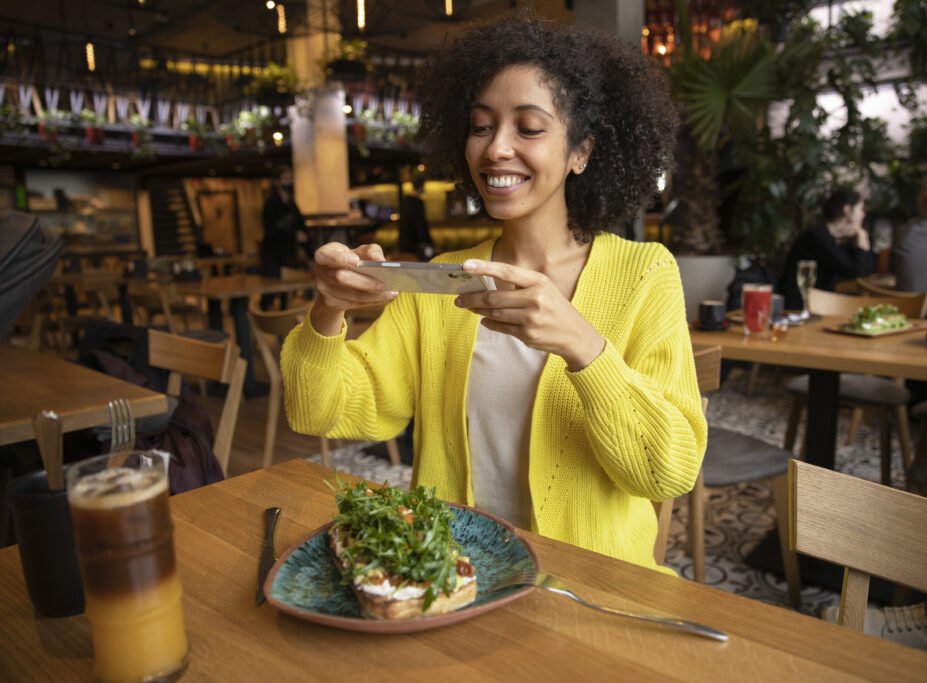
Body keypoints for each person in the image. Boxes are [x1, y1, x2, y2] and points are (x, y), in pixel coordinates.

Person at [281, 15, 706, 575]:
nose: (496, 149)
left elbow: (667, 471)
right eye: (481, 127)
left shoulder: (644, 274)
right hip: (459, 578)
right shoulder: (441, 280)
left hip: (591, 587)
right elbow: (317, 410)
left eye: (529, 128)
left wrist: (584, 347)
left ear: (581, 152)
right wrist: (328, 310)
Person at [780, 189, 875, 311]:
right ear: (847, 209)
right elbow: (856, 273)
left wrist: (863, 241)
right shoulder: (818, 236)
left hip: (821, 301)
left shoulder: (846, 237)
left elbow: (866, 273)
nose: (864, 214)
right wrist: (861, 240)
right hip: (799, 305)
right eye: (861, 209)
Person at [260, 165, 307, 309]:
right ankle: (262, 320)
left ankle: (283, 325)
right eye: (286, 179)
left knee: (286, 292)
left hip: (288, 254)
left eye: (291, 179)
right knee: (271, 290)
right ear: (277, 182)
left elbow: (301, 225)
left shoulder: (292, 204)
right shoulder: (271, 204)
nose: (290, 182)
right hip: (272, 254)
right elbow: (270, 230)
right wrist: (294, 234)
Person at [396, 173, 435, 260]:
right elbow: (420, 224)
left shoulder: (404, 201)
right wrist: (424, 241)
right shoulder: (418, 203)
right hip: (416, 245)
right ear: (422, 185)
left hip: (403, 243)